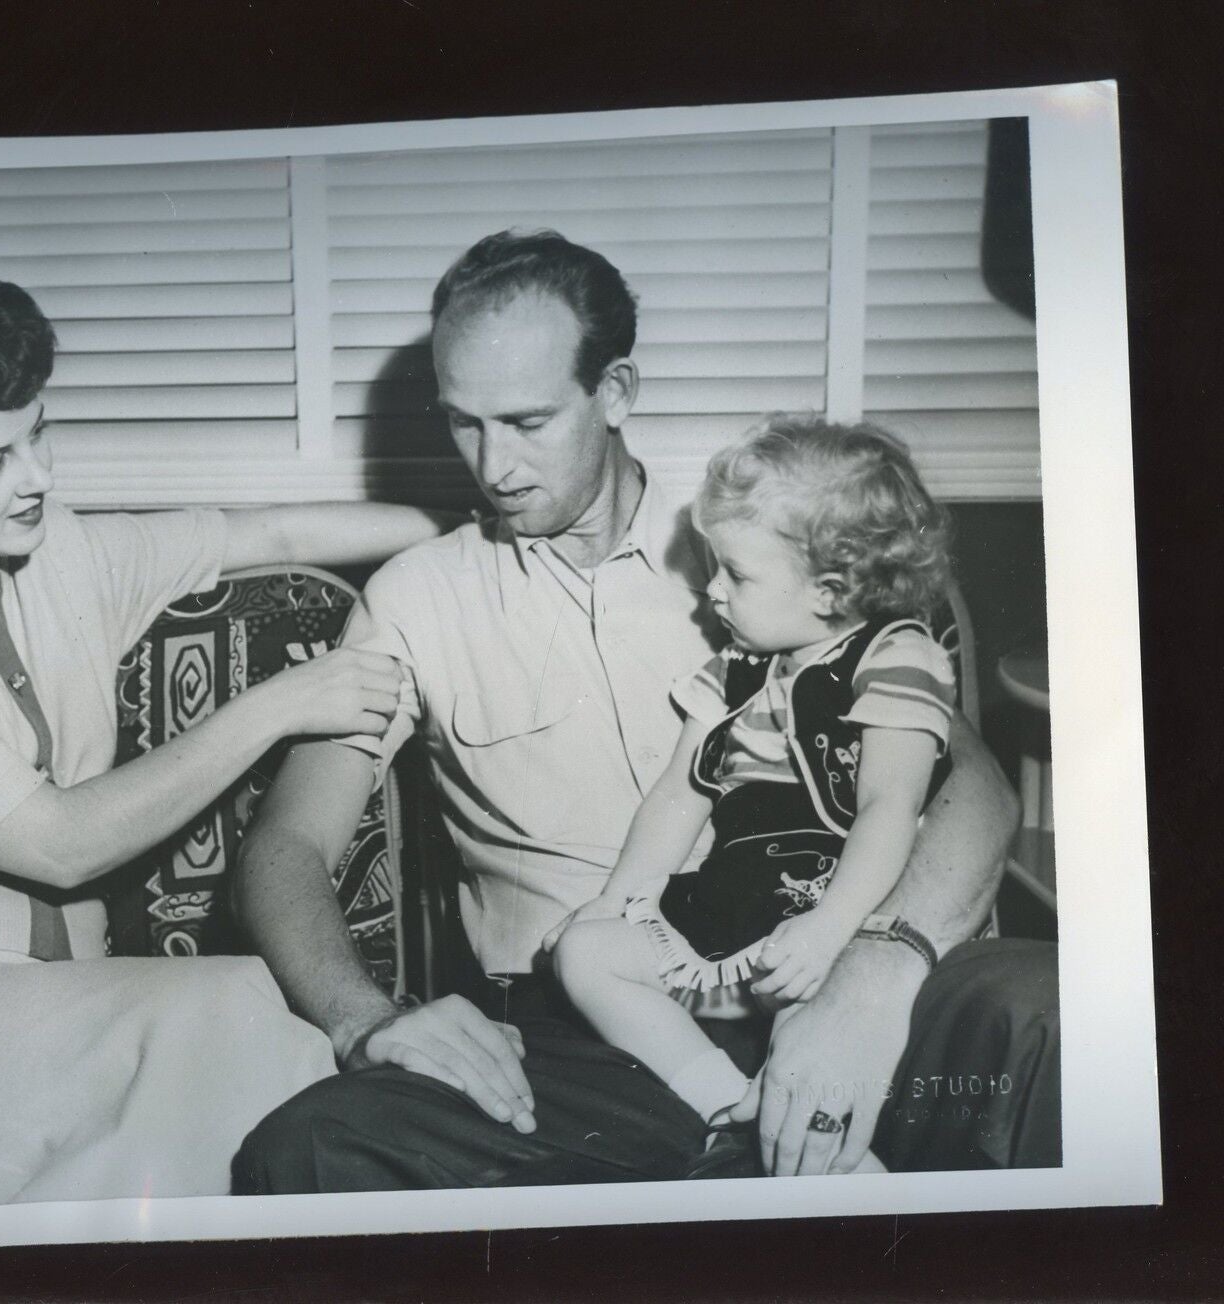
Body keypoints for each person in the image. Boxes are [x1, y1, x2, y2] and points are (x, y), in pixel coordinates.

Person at [232, 229, 1060, 1191]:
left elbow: (978, 792)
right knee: (304, 1154)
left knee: (1048, 1017)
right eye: (465, 423)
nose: (493, 466)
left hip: (834, 963)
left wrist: (881, 970)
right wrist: (364, 1018)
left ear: (616, 391)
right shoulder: (417, 600)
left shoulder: (757, 545)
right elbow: (286, 846)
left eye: (529, 421)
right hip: (591, 1035)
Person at [0, 273, 453, 1209]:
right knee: (229, 1020)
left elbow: (272, 527)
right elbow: (59, 842)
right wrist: (283, 703)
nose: (38, 476)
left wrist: (482, 528)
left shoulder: (65, 555)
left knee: (266, 1033)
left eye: (39, 434)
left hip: (62, 1012)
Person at [546, 418, 960, 1173]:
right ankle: (728, 1105)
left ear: (830, 592)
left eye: (736, 574)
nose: (713, 591)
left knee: (822, 1018)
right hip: (735, 908)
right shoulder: (735, 672)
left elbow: (889, 808)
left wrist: (832, 927)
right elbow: (680, 792)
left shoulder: (898, 656)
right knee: (585, 953)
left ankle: (822, 1148)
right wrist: (617, 898)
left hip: (838, 909)